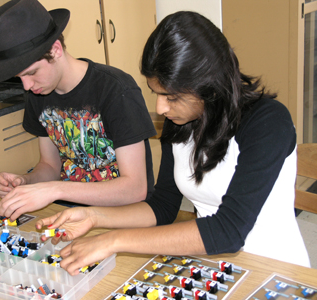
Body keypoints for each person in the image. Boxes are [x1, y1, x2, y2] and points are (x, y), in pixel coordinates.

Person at [36, 11, 311, 275]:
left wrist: (114, 240)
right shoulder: (180, 121)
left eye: (172, 96)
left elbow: (229, 231)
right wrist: (95, 217)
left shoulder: (268, 121)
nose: (160, 108)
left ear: (209, 85)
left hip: (276, 271)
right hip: (214, 267)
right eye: (156, 93)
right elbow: (163, 206)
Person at [0, 0, 157, 220]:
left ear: (55, 50)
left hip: (121, 214)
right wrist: (27, 183)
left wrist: (55, 189)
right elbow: (49, 166)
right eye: (20, 78)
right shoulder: (38, 93)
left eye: (32, 72)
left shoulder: (116, 89)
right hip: (67, 210)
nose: (27, 86)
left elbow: (135, 188)